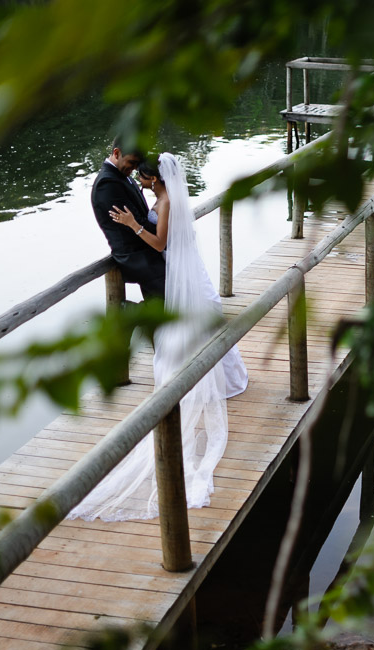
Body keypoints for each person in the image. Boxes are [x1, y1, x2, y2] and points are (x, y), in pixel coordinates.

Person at [69, 152, 248, 522]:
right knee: (200, 321)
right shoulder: (163, 198)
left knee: (200, 320)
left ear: (157, 179)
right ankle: (219, 374)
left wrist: (135, 224)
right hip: (182, 269)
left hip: (171, 262)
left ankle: (205, 373)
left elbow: (160, 243)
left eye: (145, 177)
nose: (141, 180)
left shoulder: (164, 202)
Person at [90, 139, 166, 300]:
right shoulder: (107, 183)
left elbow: (140, 216)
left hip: (150, 249)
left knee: (173, 303)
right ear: (117, 153)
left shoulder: (122, 175)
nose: (134, 169)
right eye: (131, 162)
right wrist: (164, 234)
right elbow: (131, 224)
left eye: (137, 164)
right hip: (136, 256)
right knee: (170, 302)